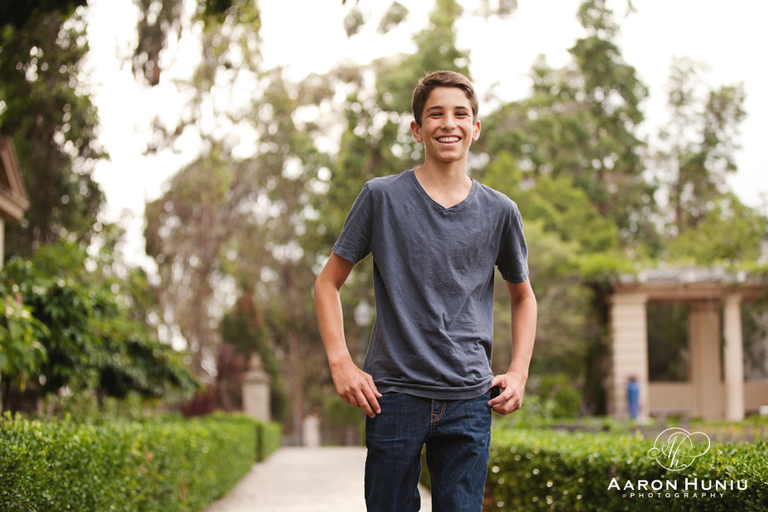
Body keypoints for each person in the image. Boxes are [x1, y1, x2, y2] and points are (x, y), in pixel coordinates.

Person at [314, 70, 537, 512]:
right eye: (435, 114)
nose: (448, 123)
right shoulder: (381, 197)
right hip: (393, 396)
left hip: (469, 398)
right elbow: (327, 284)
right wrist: (341, 363)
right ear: (417, 129)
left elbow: (523, 296)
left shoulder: (500, 212)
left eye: (461, 114)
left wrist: (518, 373)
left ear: (475, 128)